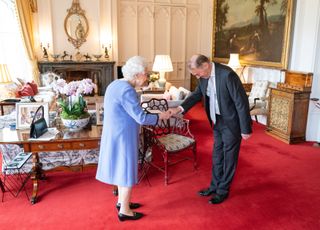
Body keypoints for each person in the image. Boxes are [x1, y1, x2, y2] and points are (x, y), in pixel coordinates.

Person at [169, 54, 252, 204]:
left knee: (229, 158)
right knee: (217, 155)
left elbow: (241, 102)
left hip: (231, 123)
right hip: (216, 121)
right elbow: (196, 95)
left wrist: (245, 128)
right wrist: (180, 108)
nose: (196, 75)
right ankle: (214, 186)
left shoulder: (227, 75)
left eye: (197, 72)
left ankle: (223, 191)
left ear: (206, 65)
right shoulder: (203, 77)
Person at [96, 56, 170, 221]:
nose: (147, 77)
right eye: (145, 74)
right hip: (124, 136)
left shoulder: (116, 84)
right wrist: (161, 117)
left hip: (115, 133)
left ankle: (122, 202)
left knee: (121, 168)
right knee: (126, 169)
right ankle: (125, 211)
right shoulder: (127, 90)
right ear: (137, 75)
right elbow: (141, 118)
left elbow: (132, 110)